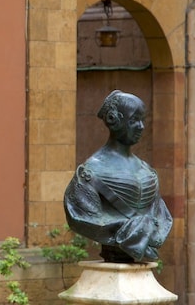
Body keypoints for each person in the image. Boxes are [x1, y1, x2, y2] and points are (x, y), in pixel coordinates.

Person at [64, 90, 172, 263]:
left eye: (143, 120)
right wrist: (131, 231)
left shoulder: (147, 170)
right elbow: (81, 217)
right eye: (134, 120)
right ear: (113, 121)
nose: (141, 127)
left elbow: (161, 216)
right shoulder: (90, 172)